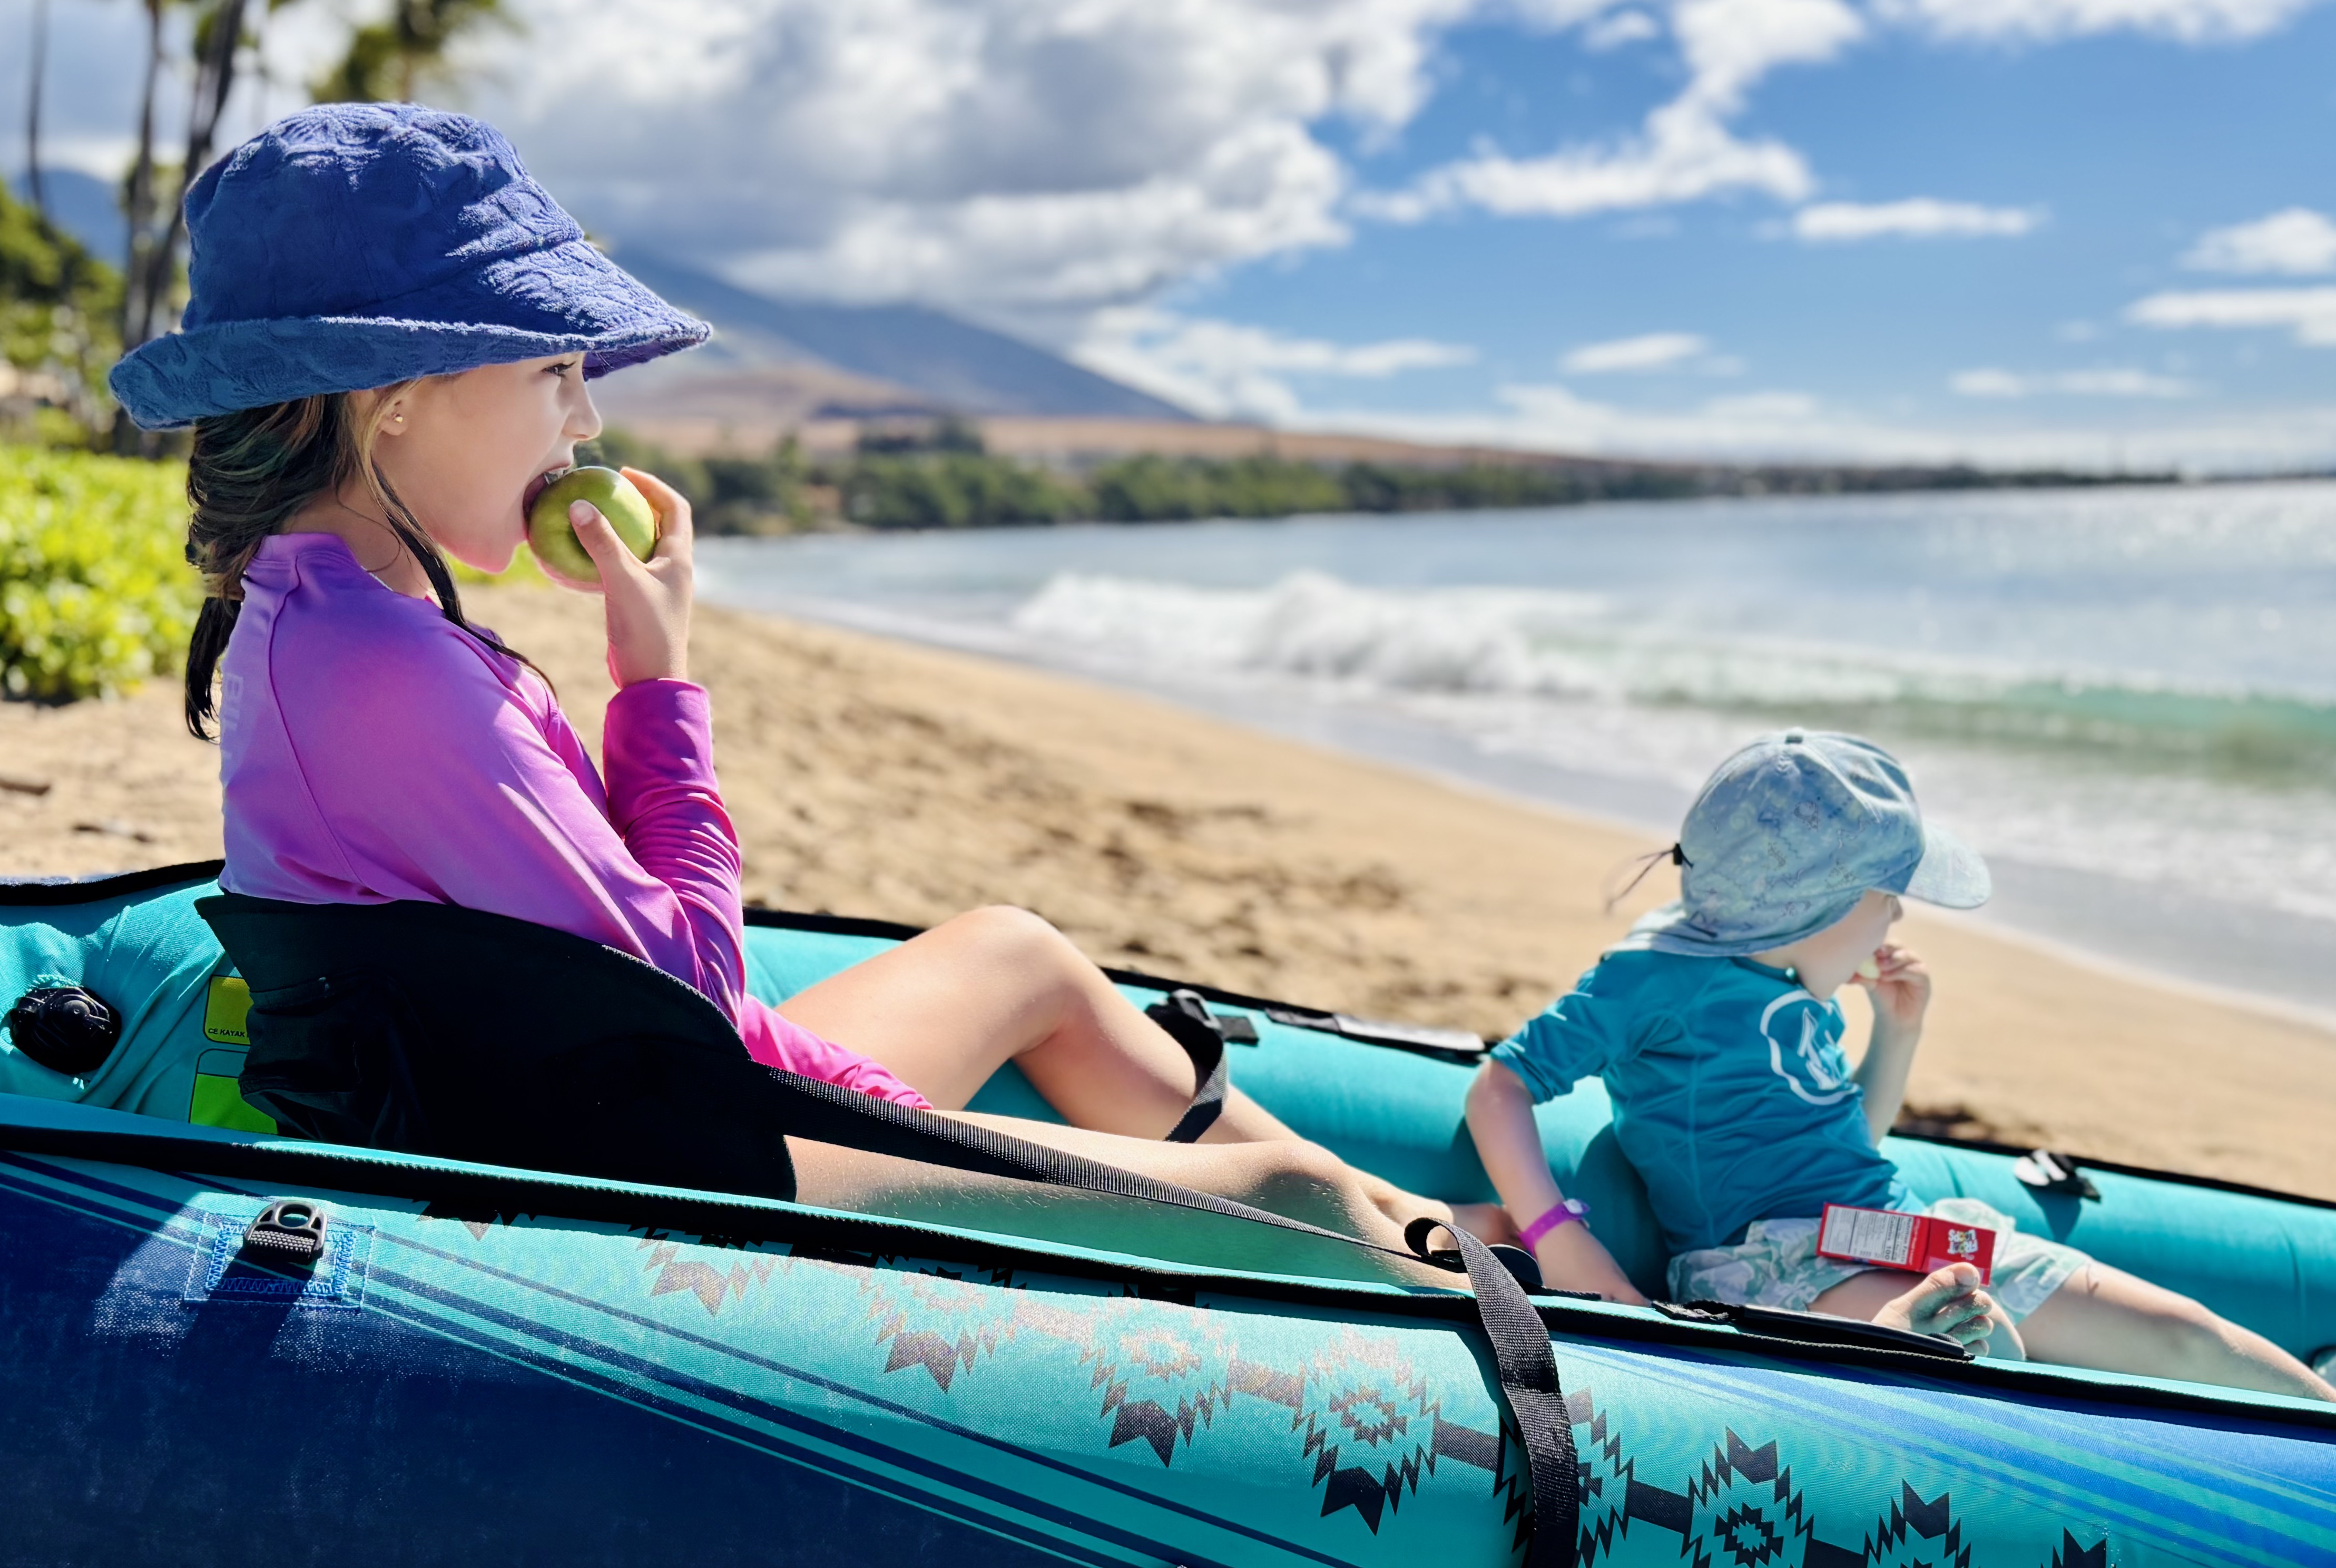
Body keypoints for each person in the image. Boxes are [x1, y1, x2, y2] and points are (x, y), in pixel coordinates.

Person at [110, 103, 1442, 1259]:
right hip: (662, 1166)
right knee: (1301, 1198)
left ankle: (1446, 1227)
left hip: (604, 1097)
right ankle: (1489, 1276)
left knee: (1017, 952)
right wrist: (656, 682)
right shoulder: (389, 677)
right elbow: (688, 1006)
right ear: (393, 391)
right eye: (554, 369)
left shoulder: (325, 613)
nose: (586, 420)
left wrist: (864, 1094)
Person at [1465, 730, 2336, 1398]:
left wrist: (1899, 1033)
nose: (1896, 919)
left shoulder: (1796, 975)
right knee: (1987, 1355)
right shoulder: (1654, 979)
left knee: (2186, 1336)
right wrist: (1558, 1236)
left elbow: (1850, 1144)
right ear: (1813, 905)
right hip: (1764, 1266)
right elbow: (1502, 1084)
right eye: (1886, 897)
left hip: (1891, 1229)